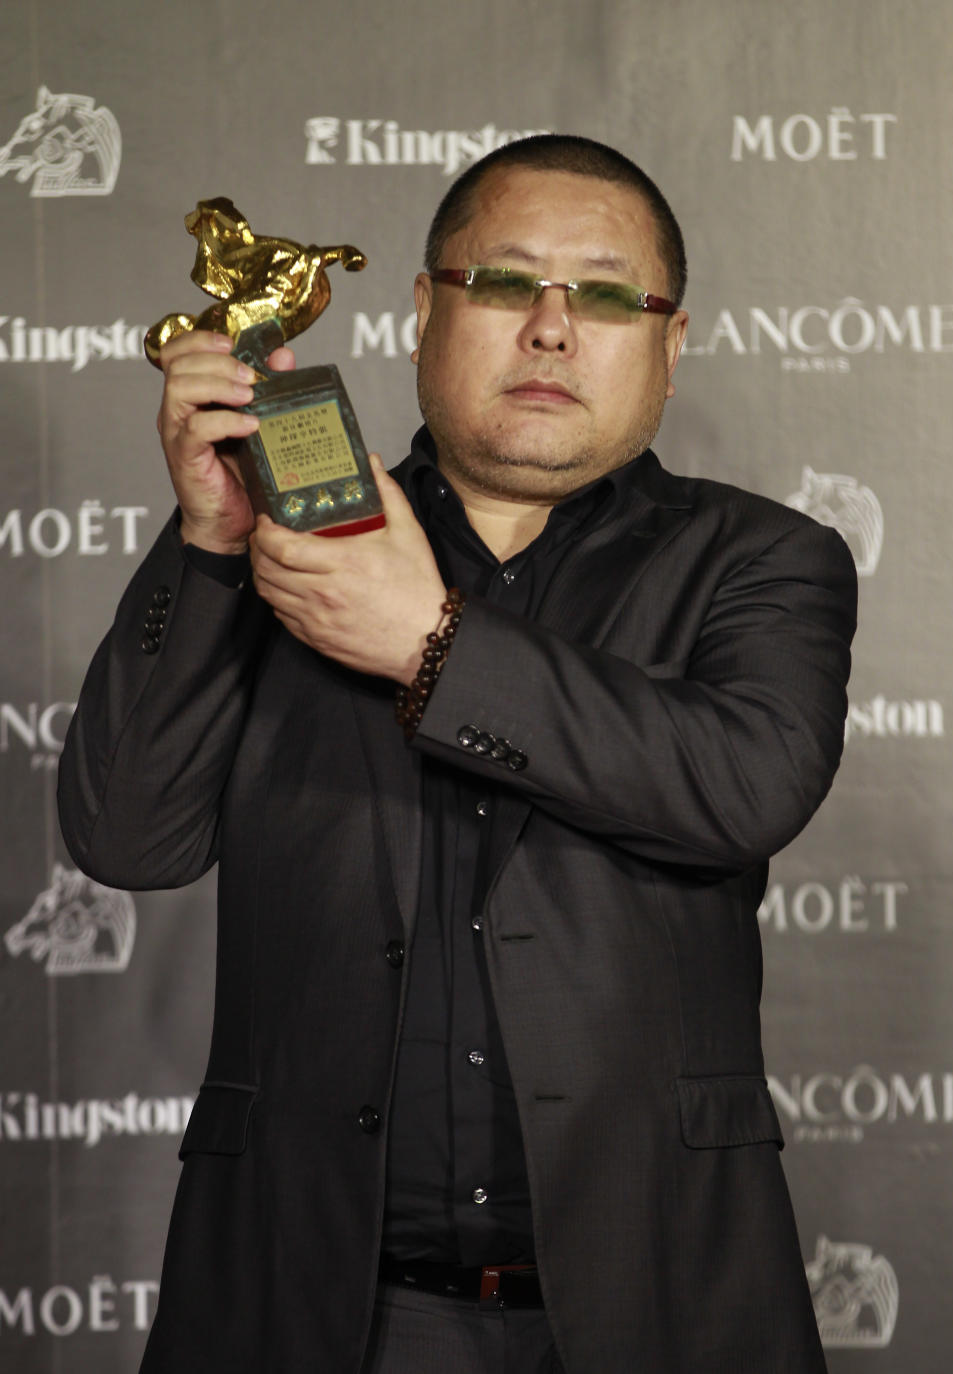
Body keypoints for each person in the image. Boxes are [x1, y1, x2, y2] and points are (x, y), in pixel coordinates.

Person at [58, 134, 857, 1374]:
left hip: (656, 1305)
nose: (551, 328)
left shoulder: (758, 559)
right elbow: (124, 835)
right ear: (425, 311)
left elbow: (743, 785)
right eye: (505, 283)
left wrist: (427, 640)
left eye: (602, 293)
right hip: (309, 1305)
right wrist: (212, 542)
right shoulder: (290, 538)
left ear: (671, 342)